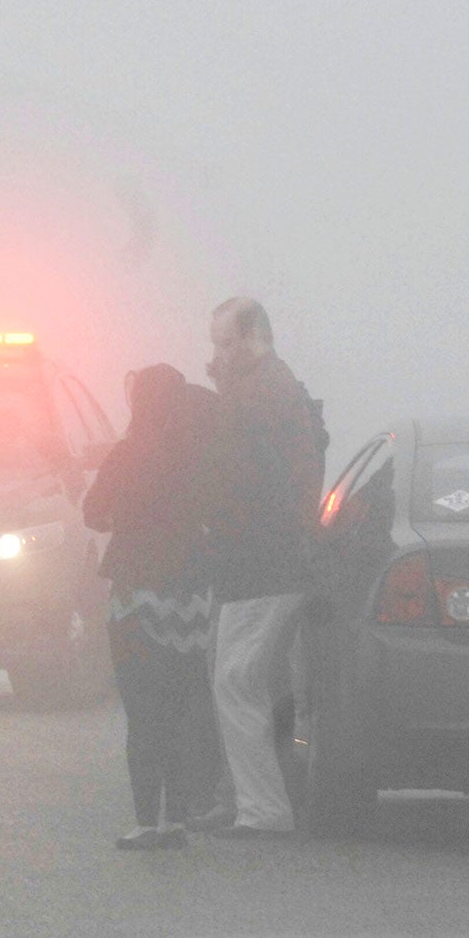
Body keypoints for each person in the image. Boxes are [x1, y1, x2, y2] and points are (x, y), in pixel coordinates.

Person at [201, 298, 327, 838]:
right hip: (272, 562)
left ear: (255, 338)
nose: (217, 355)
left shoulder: (257, 395)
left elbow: (236, 479)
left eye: (226, 343)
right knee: (253, 683)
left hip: (260, 564)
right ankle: (254, 801)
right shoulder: (277, 387)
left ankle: (262, 810)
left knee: (235, 681)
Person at [82, 364, 218, 848]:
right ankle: (177, 817)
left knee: (143, 712)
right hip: (190, 596)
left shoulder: (129, 452)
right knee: (180, 707)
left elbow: (93, 513)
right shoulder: (199, 454)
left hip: (137, 595)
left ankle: (145, 820)